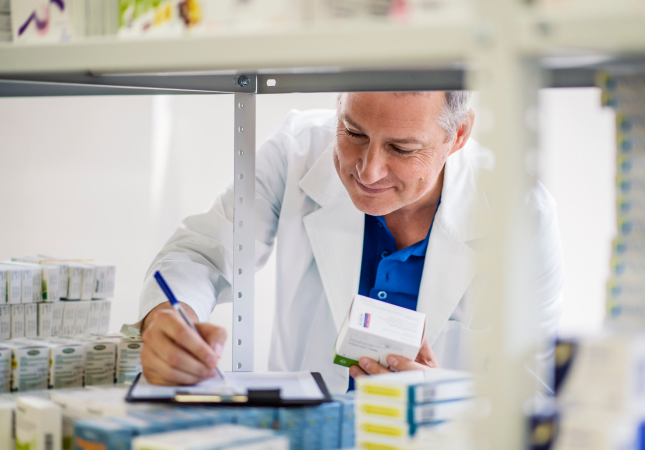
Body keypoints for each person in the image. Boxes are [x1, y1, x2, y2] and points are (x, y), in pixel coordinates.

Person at [131, 91, 565, 394]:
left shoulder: (520, 212)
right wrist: (169, 317)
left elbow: (536, 382)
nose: (368, 171)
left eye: (402, 148)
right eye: (353, 133)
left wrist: (440, 395)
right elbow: (202, 253)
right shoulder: (297, 151)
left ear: (459, 135)